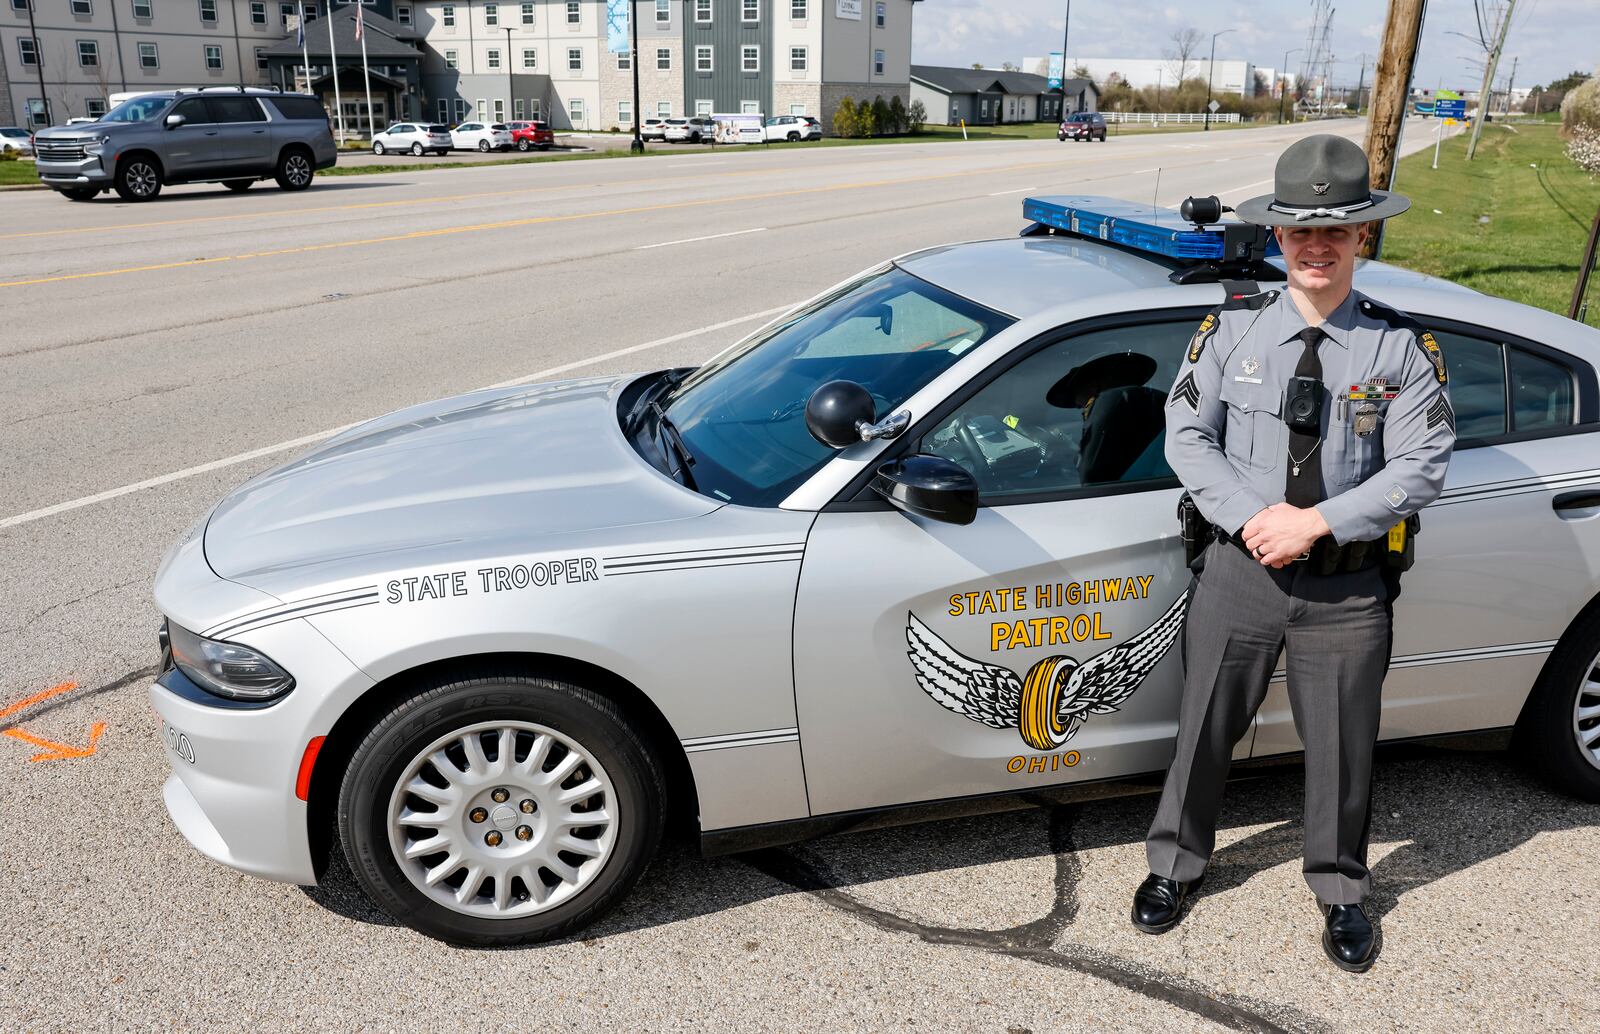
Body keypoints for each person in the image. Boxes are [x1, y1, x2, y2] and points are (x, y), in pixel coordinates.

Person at [1133, 134, 1456, 973]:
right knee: (1203, 725)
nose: (1317, 248)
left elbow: (1422, 465)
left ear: (1361, 240)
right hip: (1241, 573)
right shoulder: (1230, 331)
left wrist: (1315, 525)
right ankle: (1173, 865)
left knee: (1345, 746)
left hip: (1346, 590)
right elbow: (1187, 437)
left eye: (1336, 233)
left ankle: (1343, 891)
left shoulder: (1398, 351)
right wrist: (1253, 521)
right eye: (1300, 233)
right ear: (1277, 238)